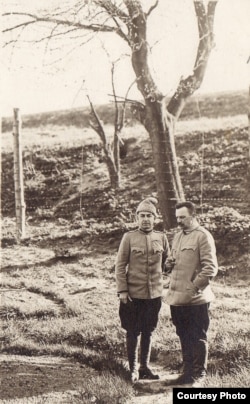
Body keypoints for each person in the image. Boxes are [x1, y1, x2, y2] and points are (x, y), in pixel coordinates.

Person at [115, 197, 169, 383]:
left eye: (149, 216)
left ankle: (144, 367)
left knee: (149, 330)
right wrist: (122, 290)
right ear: (137, 218)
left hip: (154, 294)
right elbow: (120, 266)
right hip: (133, 295)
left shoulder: (161, 237)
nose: (146, 219)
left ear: (155, 218)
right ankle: (132, 369)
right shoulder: (128, 238)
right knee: (132, 331)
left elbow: (166, 263)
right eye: (142, 216)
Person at [165, 201, 218, 387]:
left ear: (193, 216)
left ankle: (199, 375)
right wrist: (168, 265)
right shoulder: (178, 236)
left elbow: (210, 268)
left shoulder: (203, 236)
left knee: (198, 335)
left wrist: (195, 287)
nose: (179, 220)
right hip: (177, 298)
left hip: (196, 299)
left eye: (183, 217)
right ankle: (187, 373)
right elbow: (172, 263)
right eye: (177, 217)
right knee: (183, 334)